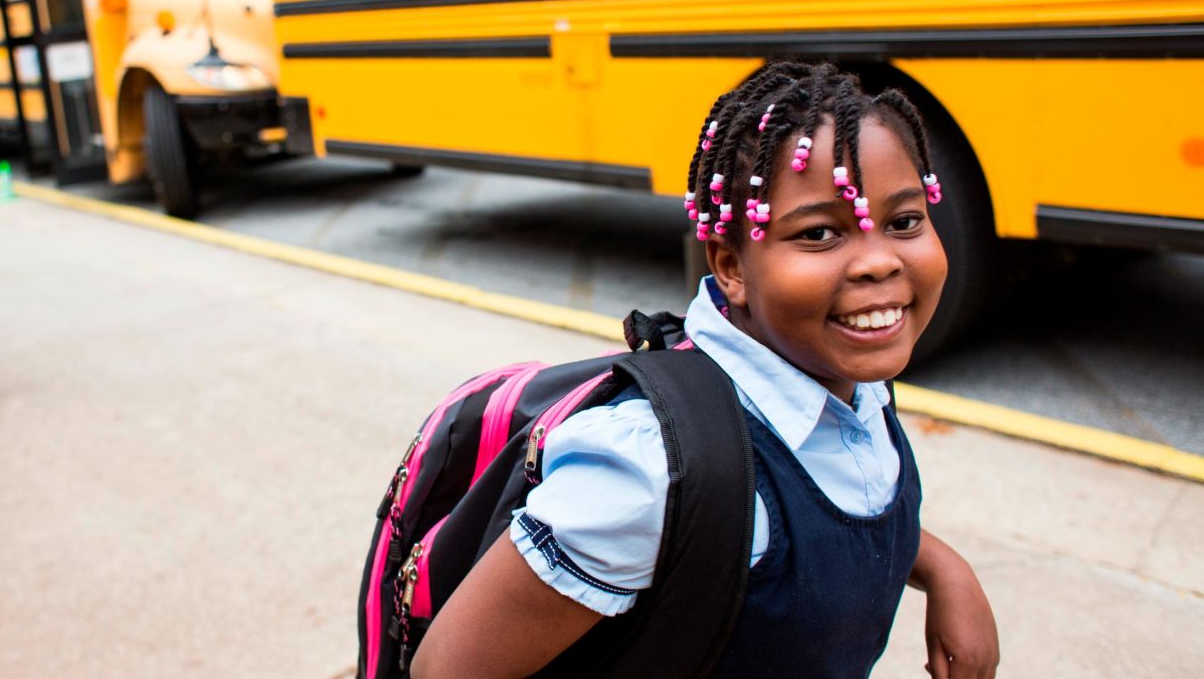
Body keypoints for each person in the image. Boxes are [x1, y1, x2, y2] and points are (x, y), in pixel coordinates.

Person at [412, 62, 999, 679]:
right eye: (820, 232)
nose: (879, 262)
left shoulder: (850, 386)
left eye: (904, 222)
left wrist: (941, 568)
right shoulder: (649, 474)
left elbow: (823, 513)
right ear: (731, 267)